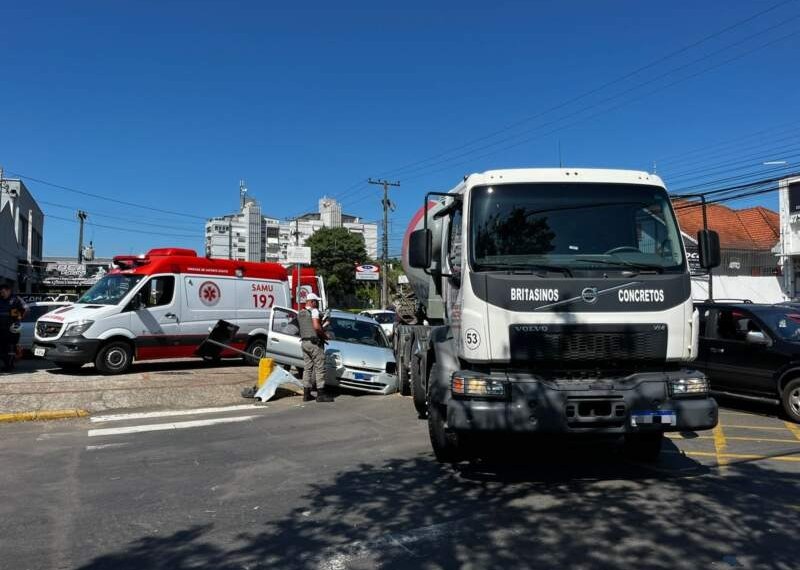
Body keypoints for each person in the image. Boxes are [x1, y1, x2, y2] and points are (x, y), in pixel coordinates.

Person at [297, 293, 333, 402]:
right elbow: (316, 327)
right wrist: (325, 336)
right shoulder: (314, 311)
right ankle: (321, 394)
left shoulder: (301, 313)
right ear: (312, 302)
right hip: (314, 344)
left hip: (304, 343)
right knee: (319, 368)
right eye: (316, 301)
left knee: (307, 368)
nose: (317, 303)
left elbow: (306, 327)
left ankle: (306, 394)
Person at [0, 283, 28, 372]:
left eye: (3, 292)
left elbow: (26, 309)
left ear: (9, 291)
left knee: (11, 347)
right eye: (1, 292)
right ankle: (6, 364)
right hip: (1, 329)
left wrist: (18, 319)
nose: (2, 293)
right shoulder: (0, 299)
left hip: (11, 328)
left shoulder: (15, 299)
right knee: (2, 348)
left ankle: (10, 365)